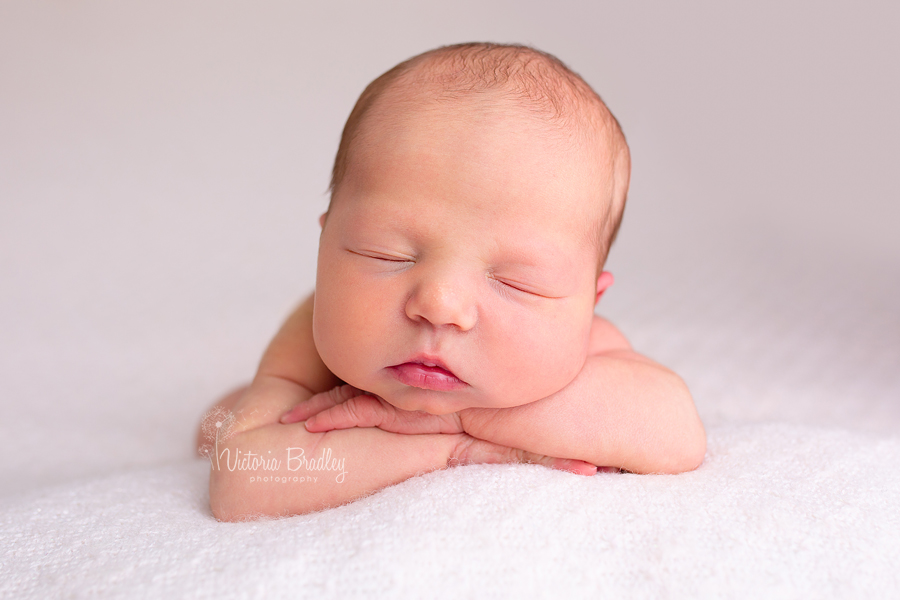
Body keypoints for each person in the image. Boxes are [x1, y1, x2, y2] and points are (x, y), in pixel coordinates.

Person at [198, 42, 706, 521]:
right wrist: (449, 449)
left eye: (517, 282)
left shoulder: (584, 346)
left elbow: (677, 435)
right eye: (387, 254)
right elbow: (241, 479)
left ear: (587, 303)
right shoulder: (310, 333)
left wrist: (460, 419)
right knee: (215, 427)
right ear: (325, 247)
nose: (440, 305)